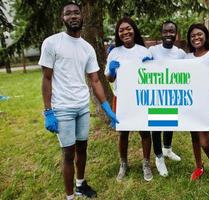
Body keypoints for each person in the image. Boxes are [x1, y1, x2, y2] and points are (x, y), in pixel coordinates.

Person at [39, 2, 118, 200]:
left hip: (82, 106)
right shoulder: (52, 43)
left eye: (76, 12)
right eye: (68, 13)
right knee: (68, 153)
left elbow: (95, 80)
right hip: (62, 108)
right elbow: (46, 78)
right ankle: (69, 196)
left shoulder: (87, 48)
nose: (73, 16)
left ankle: (81, 185)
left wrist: (107, 109)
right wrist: (48, 111)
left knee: (82, 147)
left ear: (82, 16)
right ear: (62, 18)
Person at [104, 16, 153, 182]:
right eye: (121, 30)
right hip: (122, 98)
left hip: (141, 98)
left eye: (128, 28)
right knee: (123, 133)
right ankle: (123, 164)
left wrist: (151, 65)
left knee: (145, 132)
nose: (125, 32)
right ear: (118, 34)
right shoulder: (115, 52)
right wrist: (112, 71)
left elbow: (153, 77)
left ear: (134, 30)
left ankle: (146, 163)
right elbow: (110, 79)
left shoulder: (144, 51)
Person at [185, 23, 209, 184]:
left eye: (199, 34)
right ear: (190, 39)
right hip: (189, 103)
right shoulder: (187, 58)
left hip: (204, 105)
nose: (196, 38)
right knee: (194, 137)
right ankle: (198, 166)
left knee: (204, 142)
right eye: (193, 35)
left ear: (205, 35)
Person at [148, 20, 185, 177]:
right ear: (161, 33)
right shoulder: (152, 50)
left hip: (172, 95)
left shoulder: (180, 53)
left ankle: (167, 149)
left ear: (176, 34)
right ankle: (159, 157)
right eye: (165, 31)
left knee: (170, 122)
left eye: (172, 31)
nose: (168, 34)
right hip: (156, 96)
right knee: (156, 127)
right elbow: (140, 67)